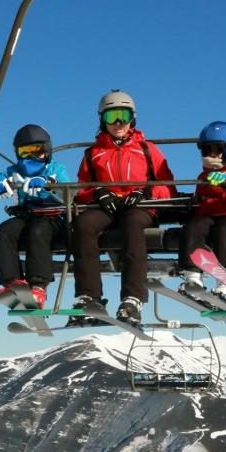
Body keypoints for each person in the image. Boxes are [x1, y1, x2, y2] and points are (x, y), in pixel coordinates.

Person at [69, 90, 176, 326]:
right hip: (107, 207)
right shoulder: (93, 153)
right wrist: (98, 192)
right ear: (101, 120)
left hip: (140, 208)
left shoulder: (147, 149)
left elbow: (168, 187)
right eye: (111, 117)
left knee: (132, 225)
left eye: (123, 116)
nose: (118, 123)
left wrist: (146, 192)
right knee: (83, 224)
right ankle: (89, 297)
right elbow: (82, 190)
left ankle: (132, 298)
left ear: (132, 118)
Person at [0, 124, 71, 309]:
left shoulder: (55, 169)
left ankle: (38, 286)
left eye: (36, 150)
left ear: (46, 150)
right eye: (25, 151)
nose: (31, 156)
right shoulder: (15, 172)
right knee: (5, 230)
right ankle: (12, 282)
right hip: (26, 217)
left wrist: (47, 184)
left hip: (52, 219)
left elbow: (66, 188)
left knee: (37, 231)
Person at [178, 121, 226, 301]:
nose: (211, 154)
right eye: (206, 150)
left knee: (225, 232)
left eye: (216, 149)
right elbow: (201, 202)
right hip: (209, 215)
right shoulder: (204, 177)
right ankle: (192, 275)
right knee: (192, 228)